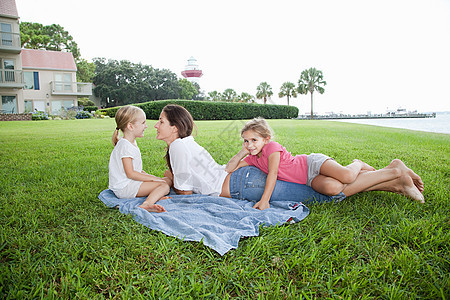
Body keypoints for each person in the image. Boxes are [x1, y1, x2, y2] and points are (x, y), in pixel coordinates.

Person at [155, 104, 425, 208]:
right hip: (242, 179)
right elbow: (217, 169)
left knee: (325, 195)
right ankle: (393, 181)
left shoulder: (177, 147)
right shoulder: (186, 143)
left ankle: (393, 172)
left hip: (244, 184)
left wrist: (168, 182)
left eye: (161, 122)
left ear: (175, 128)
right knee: (330, 189)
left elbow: (186, 192)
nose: (157, 126)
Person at [226, 117, 424, 210]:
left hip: (312, 164)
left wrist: (265, 200)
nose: (250, 144)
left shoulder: (271, 148)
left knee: (346, 176)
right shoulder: (252, 157)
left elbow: (273, 174)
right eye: (246, 140)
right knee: (332, 188)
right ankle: (394, 174)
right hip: (309, 180)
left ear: (266, 139)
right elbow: (229, 168)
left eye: (254, 140)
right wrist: (243, 151)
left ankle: (359, 163)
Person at [109, 105, 171, 213]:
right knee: (164, 185)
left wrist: (154, 177)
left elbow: (138, 171)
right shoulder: (125, 146)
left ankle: (154, 196)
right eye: (143, 123)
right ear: (130, 126)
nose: (146, 126)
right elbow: (131, 173)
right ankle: (147, 204)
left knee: (166, 181)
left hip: (131, 183)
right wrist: (154, 180)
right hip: (124, 188)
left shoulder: (131, 142)